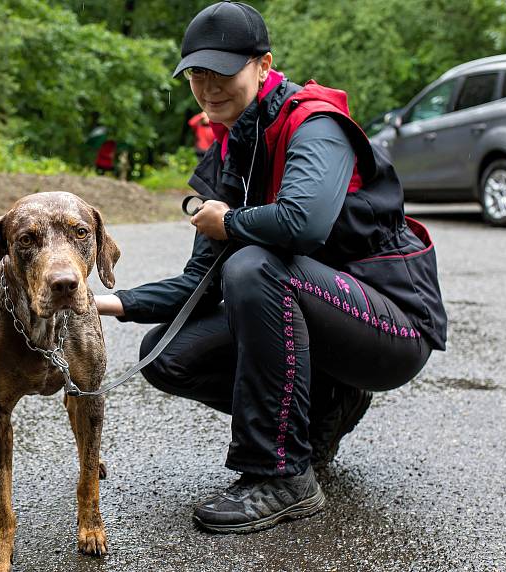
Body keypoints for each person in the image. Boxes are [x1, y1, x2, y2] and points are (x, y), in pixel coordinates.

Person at [95, 1, 446, 534]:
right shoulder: (236, 149)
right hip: (324, 315)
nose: (209, 86)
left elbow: (302, 224)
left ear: (263, 65)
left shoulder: (315, 123)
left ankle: (281, 475)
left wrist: (231, 221)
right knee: (166, 355)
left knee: (255, 267)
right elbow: (199, 284)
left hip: (393, 326)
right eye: (197, 73)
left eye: (224, 71)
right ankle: (322, 413)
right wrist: (100, 303)